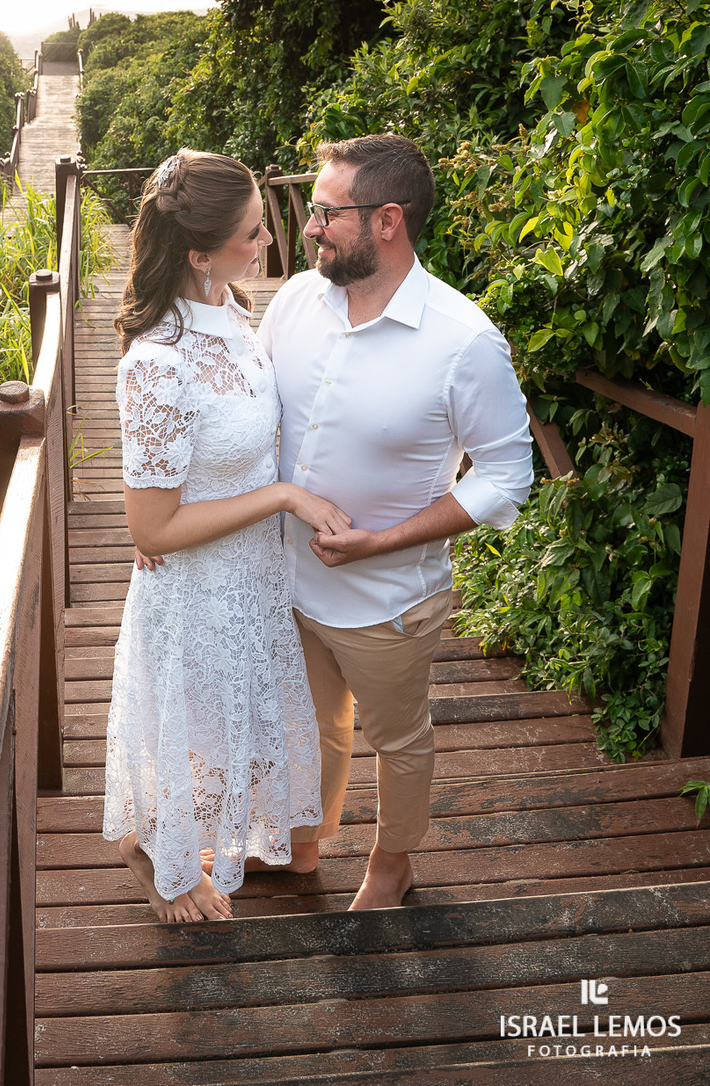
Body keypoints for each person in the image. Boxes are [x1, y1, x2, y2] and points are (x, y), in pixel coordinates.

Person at [257, 132, 534, 911]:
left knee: (398, 738)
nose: (309, 227)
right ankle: (303, 844)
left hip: (389, 601)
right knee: (309, 721)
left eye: (326, 212)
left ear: (388, 220)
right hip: (286, 576)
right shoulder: (294, 300)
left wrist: (382, 541)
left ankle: (393, 862)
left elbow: (509, 474)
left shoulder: (463, 340)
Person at [102, 150, 344, 924]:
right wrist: (282, 496)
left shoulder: (235, 312)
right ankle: (158, 861)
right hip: (197, 588)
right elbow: (151, 526)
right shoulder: (156, 363)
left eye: (263, 223)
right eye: (251, 233)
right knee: (192, 726)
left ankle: (198, 842)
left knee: (234, 722)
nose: (269, 240)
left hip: (255, 576)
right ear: (198, 254)